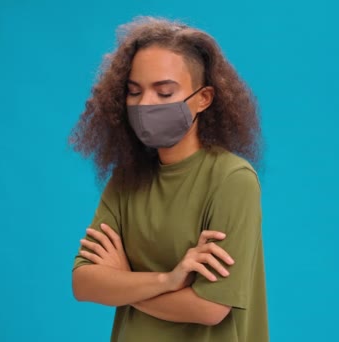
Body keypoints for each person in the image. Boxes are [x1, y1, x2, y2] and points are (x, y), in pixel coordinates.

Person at [69, 16, 268, 342]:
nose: (145, 104)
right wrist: (168, 280)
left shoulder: (232, 179)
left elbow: (210, 308)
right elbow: (84, 283)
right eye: (134, 92)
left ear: (203, 99)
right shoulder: (126, 178)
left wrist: (123, 281)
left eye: (164, 93)